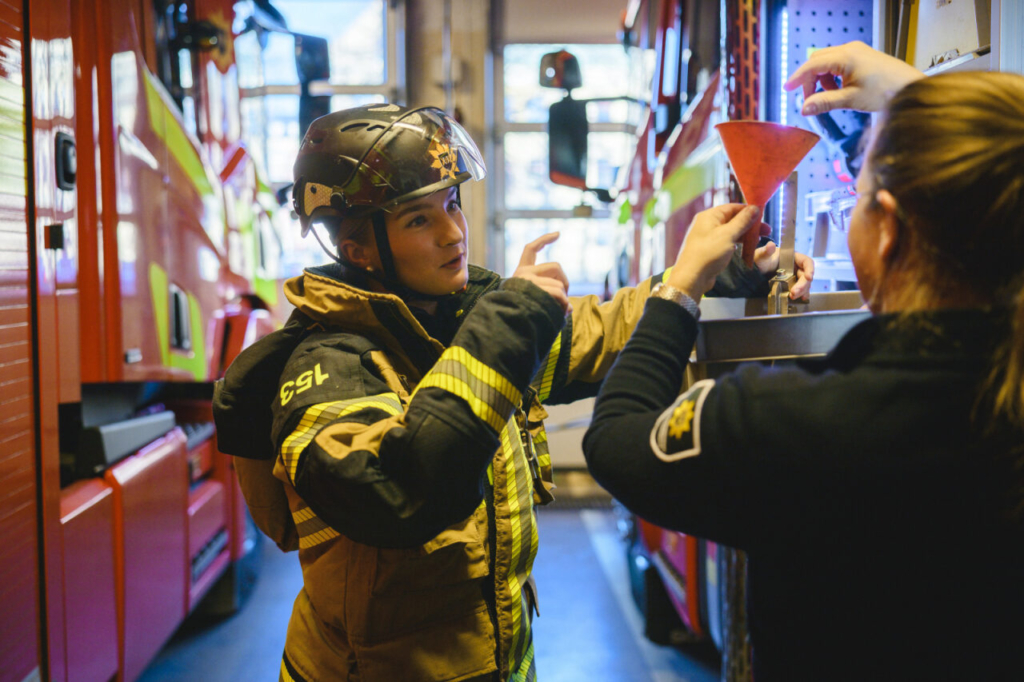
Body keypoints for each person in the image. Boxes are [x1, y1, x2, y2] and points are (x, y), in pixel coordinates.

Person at [213, 103, 810, 682]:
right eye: (418, 219)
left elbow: (601, 334)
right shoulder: (325, 366)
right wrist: (508, 324)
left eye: (452, 204)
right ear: (358, 249)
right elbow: (399, 490)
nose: (454, 233)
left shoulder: (456, 323)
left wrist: (713, 276)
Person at [583, 46, 1024, 679]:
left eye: (860, 191)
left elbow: (616, 438)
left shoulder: (777, 421)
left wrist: (680, 287)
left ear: (890, 230)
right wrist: (914, 96)